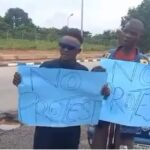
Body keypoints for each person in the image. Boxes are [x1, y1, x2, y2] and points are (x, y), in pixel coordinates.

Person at [13, 29, 108, 149]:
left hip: (70, 131)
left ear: (78, 51)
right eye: (63, 46)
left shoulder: (83, 73)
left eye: (70, 47)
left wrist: (103, 92)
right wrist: (20, 83)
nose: (65, 50)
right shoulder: (46, 68)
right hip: (45, 130)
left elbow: (90, 99)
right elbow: (33, 92)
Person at [91, 18, 149, 149]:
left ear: (140, 36)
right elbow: (98, 84)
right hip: (104, 118)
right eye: (126, 31)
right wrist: (98, 81)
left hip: (127, 121)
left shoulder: (144, 63)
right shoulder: (108, 56)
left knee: (124, 146)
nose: (127, 35)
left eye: (133, 33)